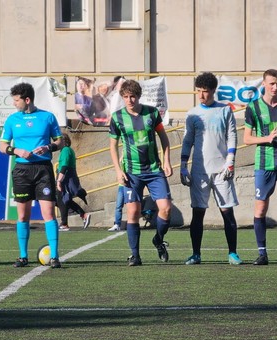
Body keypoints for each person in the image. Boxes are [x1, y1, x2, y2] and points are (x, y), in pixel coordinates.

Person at [109, 79, 173, 266]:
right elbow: (112, 146)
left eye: (133, 96)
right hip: (131, 173)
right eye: (126, 97)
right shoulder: (117, 117)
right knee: (133, 212)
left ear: (138, 96)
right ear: (122, 97)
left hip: (154, 170)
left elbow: (164, 139)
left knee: (166, 208)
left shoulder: (152, 113)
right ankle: (135, 255)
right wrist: (118, 170)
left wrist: (167, 161)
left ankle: (158, 239)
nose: (129, 100)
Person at [181, 72, 241, 265]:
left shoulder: (225, 110)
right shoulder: (192, 114)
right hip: (199, 171)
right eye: (198, 91)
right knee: (198, 213)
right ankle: (196, 254)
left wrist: (230, 160)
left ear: (213, 91)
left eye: (205, 92)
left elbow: (232, 135)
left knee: (227, 212)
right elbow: (187, 140)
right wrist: (183, 165)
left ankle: (232, 253)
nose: (201, 95)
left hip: (222, 169)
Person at [1, 82, 64, 268]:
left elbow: (60, 141)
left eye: (16, 100)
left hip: (43, 169)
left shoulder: (47, 117)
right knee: (22, 216)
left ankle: (54, 256)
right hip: (22, 171)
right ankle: (22, 256)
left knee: (49, 214)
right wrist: (16, 151)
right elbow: (2, 146)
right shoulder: (12, 120)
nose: (14, 104)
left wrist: (49, 147)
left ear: (27, 100)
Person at [243, 68, 277, 266]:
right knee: (261, 207)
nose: (275, 86)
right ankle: (262, 253)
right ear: (264, 83)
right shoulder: (254, 107)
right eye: (272, 83)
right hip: (264, 163)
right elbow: (247, 138)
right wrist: (268, 138)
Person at [55, 132, 90, 231]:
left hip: (65, 177)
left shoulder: (66, 150)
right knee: (62, 200)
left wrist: (59, 180)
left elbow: (65, 166)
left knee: (62, 199)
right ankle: (83, 215)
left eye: (57, 140)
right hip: (65, 176)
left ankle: (64, 223)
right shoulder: (65, 150)